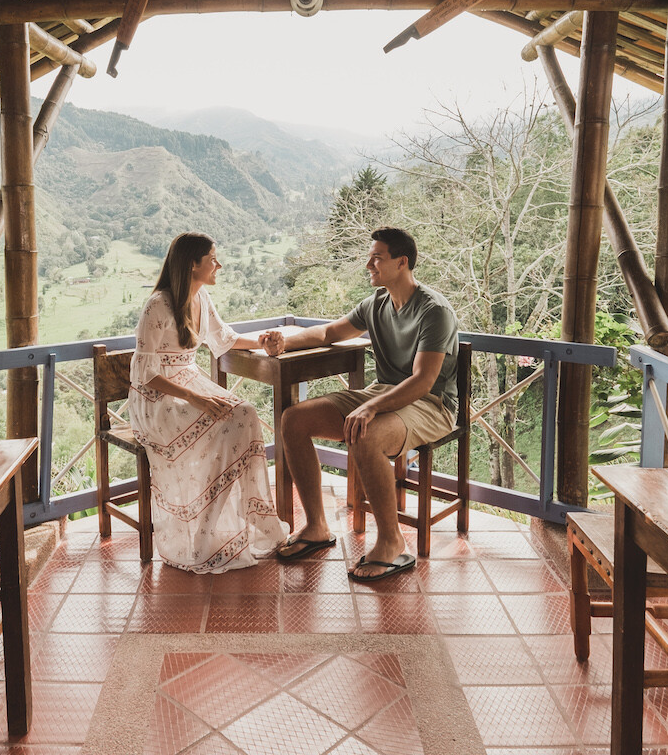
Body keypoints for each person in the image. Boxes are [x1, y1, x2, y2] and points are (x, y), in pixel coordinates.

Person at [263, 227, 459, 582]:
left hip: (431, 404)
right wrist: (284, 345)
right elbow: (327, 334)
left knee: (366, 435)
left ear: (402, 262)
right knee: (294, 420)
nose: (368, 264)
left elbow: (423, 381)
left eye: (377, 257)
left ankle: (392, 542)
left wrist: (372, 407)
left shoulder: (434, 311)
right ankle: (316, 527)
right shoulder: (376, 304)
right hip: (384, 392)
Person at [127, 232, 289, 572]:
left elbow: (225, 340)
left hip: (191, 384)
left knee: (244, 414)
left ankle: (224, 526)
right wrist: (196, 397)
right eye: (213, 258)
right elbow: (144, 373)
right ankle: (202, 531)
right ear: (193, 264)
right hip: (157, 398)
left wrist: (263, 343)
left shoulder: (202, 300)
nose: (219, 264)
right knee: (229, 419)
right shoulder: (158, 304)